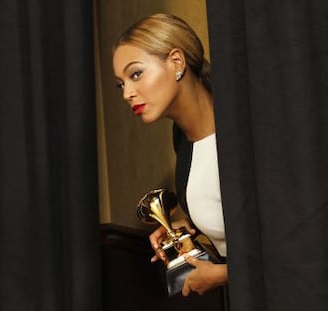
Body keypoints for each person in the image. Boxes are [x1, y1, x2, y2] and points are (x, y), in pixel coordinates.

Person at [112, 13, 228, 297]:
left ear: (176, 62)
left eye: (135, 74)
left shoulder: (245, 130)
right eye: (121, 83)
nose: (127, 93)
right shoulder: (182, 139)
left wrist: (224, 274)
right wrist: (186, 226)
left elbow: (293, 230)